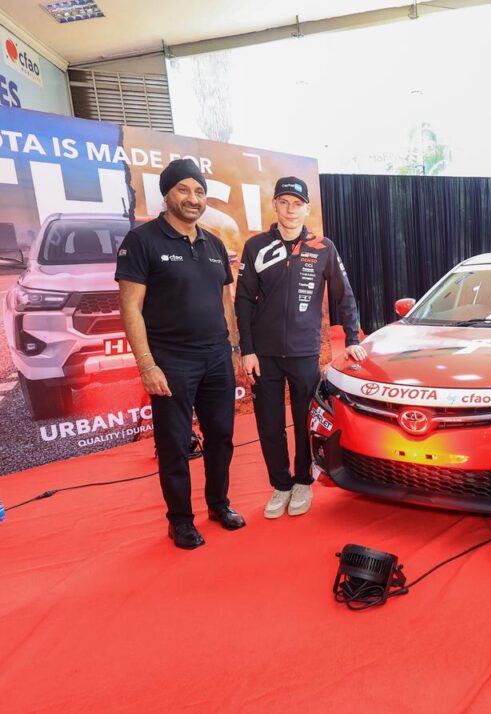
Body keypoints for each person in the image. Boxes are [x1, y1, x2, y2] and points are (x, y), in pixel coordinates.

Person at [116, 158, 246, 550]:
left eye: (200, 191)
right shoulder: (142, 241)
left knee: (221, 437)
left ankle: (219, 505)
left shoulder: (214, 243)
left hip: (217, 357)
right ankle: (180, 521)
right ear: (167, 194)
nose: (193, 198)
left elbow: (225, 301)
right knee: (174, 444)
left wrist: (234, 348)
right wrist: (147, 364)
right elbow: (130, 307)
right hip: (171, 361)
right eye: (184, 190)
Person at [235, 176, 365, 520]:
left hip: (305, 352)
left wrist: (352, 339)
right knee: (269, 424)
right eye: (284, 202)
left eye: (297, 203)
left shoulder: (323, 247)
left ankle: (303, 480)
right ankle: (280, 485)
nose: (290, 209)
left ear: (306, 208)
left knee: (305, 420)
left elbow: (345, 295)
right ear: (275, 205)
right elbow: (243, 300)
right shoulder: (256, 246)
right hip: (264, 355)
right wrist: (246, 349)